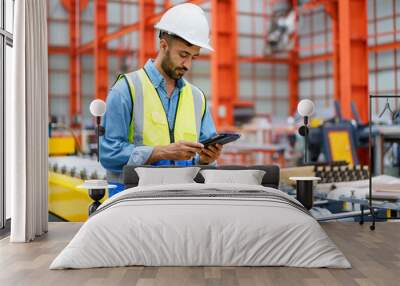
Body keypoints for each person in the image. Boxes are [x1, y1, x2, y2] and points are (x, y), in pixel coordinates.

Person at [100, 3, 222, 183]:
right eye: (183, 54)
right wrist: (162, 152)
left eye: (193, 57)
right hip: (135, 201)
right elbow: (109, 154)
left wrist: (206, 160)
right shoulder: (126, 89)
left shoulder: (197, 98)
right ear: (163, 45)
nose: (188, 64)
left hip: (182, 199)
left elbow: (202, 161)